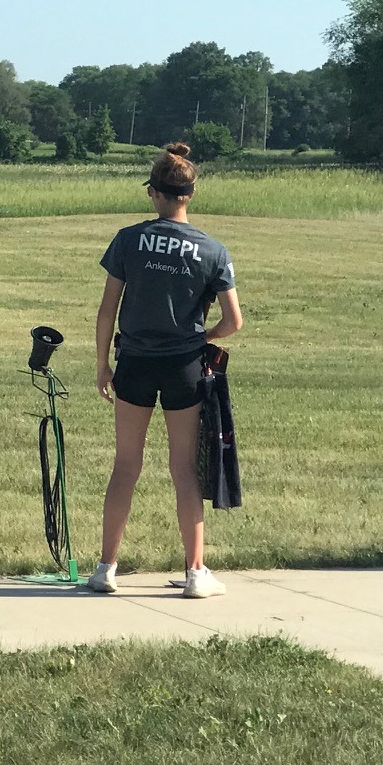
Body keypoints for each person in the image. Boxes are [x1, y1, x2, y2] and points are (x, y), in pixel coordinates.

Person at [89, 142, 243, 598]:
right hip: (185, 367)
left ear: (153, 193)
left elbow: (106, 310)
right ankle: (196, 573)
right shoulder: (214, 251)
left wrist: (102, 365)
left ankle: (106, 568)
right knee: (184, 470)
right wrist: (203, 337)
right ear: (190, 195)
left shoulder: (128, 239)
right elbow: (234, 322)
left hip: (134, 362)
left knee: (125, 466)